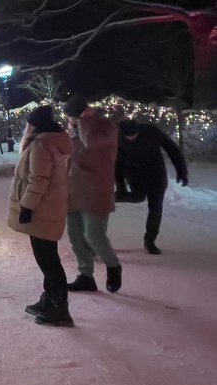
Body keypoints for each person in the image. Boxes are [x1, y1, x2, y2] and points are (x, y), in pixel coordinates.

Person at [7, 105, 74, 327]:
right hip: (46, 209)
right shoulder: (47, 143)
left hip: (42, 210)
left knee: (48, 260)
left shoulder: (41, 145)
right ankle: (50, 300)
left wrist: (27, 207)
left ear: (34, 125)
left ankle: (59, 307)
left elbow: (39, 179)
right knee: (46, 257)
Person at [64, 96, 123, 293]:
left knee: (94, 235)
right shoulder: (74, 131)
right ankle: (86, 276)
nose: (69, 121)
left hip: (96, 191)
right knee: (76, 238)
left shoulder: (105, 128)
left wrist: (85, 120)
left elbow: (92, 143)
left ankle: (113, 266)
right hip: (73, 191)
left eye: (72, 117)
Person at [115, 120, 188, 255]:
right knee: (138, 197)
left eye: (134, 135)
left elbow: (172, 149)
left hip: (156, 175)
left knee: (156, 208)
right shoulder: (118, 139)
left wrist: (181, 171)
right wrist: (121, 187)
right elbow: (117, 165)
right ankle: (111, 198)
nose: (131, 138)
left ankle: (150, 241)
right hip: (135, 176)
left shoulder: (151, 131)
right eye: (128, 137)